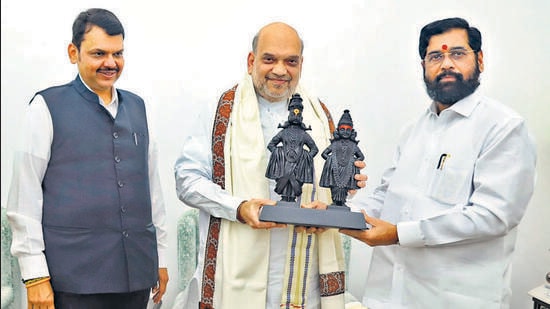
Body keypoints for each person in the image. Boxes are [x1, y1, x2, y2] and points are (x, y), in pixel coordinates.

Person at [325, 17, 536, 308]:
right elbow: (386, 200)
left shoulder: (503, 128)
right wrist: (332, 213)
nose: (446, 63)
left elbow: (494, 216)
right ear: (423, 66)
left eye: (458, 54)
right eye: (435, 56)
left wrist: (399, 235)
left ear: (480, 60)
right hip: (386, 298)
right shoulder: (413, 131)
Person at [174, 22, 367, 309]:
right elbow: (186, 180)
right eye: (269, 59)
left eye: (290, 61)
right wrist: (239, 208)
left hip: (303, 272)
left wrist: (348, 184)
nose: (280, 70)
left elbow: (323, 177)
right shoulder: (220, 112)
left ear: (301, 64)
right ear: (252, 61)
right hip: (237, 264)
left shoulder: (321, 114)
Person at [6, 8, 168, 308]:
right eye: (99, 53)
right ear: (73, 52)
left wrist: (160, 257)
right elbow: (24, 198)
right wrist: (35, 277)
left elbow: (152, 193)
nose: (110, 63)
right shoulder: (45, 107)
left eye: (118, 53)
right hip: (74, 279)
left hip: (136, 274)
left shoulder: (139, 107)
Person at [266, 93, 318, 203]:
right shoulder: (284, 132)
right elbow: (271, 145)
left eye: (298, 114)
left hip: (298, 168)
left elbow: (314, 149)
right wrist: (279, 153)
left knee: (295, 189)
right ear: (289, 115)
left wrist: (305, 157)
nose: (295, 116)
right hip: (283, 166)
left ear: (301, 116)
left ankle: (292, 199)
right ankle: (284, 198)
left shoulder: (304, 135)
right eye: (293, 113)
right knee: (283, 188)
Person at [319, 109, 365, 207]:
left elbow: (361, 156)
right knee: (334, 188)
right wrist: (331, 160)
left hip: (348, 169)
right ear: (338, 131)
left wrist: (353, 162)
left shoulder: (353, 146)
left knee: (345, 188)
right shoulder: (335, 144)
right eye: (342, 129)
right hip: (335, 168)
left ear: (352, 131)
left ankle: (342, 202)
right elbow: (324, 154)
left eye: (348, 130)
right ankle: (335, 202)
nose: (345, 132)